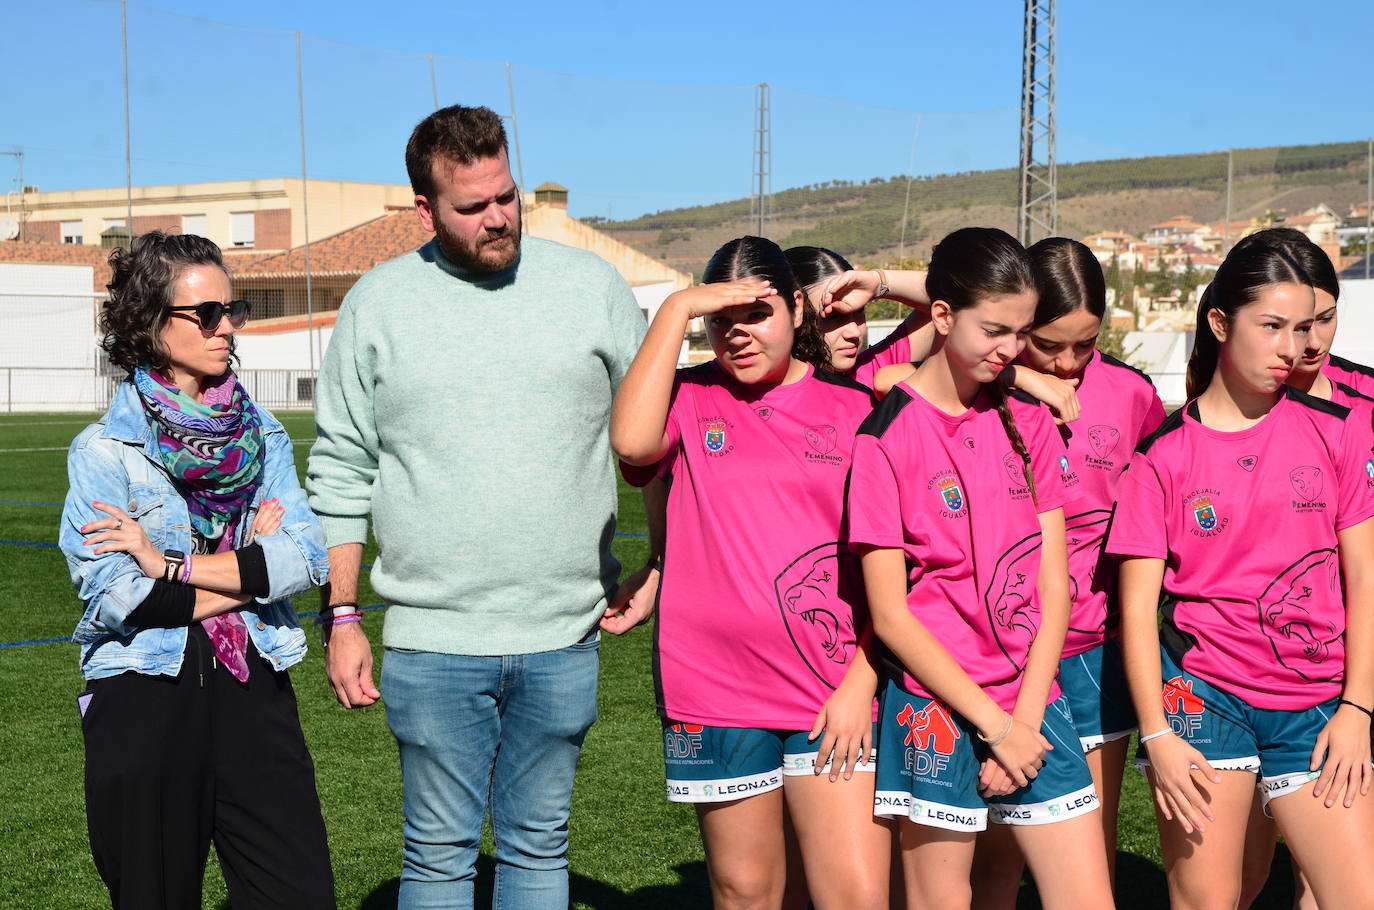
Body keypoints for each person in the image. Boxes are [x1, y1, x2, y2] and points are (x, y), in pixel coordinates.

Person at [305, 104, 659, 910]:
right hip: (432, 645)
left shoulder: (592, 289)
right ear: (425, 211)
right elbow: (341, 470)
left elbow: (654, 447)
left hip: (564, 633)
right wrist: (345, 614)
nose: (499, 217)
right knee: (436, 860)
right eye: (473, 206)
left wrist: (662, 563)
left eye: (508, 195)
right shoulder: (377, 304)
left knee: (539, 851)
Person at [611, 236, 891, 910]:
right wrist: (676, 310)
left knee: (852, 894)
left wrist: (861, 682)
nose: (736, 337)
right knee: (746, 892)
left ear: (797, 308)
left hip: (834, 692)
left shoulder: (857, 410)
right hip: (713, 687)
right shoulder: (687, 397)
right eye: (720, 322)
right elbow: (630, 443)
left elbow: (894, 572)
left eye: (756, 315)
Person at [60, 230, 334, 910]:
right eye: (205, 314)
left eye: (231, 311)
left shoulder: (261, 431)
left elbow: (305, 557)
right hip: (145, 695)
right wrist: (244, 574)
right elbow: (120, 596)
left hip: (256, 690)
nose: (226, 329)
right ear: (151, 325)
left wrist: (174, 567)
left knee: (300, 895)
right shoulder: (104, 452)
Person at [848, 227, 1114, 909]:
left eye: (1021, 332)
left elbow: (1056, 588)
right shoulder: (883, 438)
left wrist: (1021, 722)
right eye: (995, 330)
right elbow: (892, 616)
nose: (1011, 350)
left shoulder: (1029, 421)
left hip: (1033, 703)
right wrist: (991, 728)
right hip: (935, 707)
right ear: (942, 316)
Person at [1110, 239, 1374, 909]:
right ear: (1221, 324)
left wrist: (1357, 709)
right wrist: (1160, 737)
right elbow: (1137, 614)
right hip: (1202, 704)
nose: (1294, 346)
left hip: (1316, 703)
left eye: (1306, 326)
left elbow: (1366, 580)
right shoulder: (1160, 456)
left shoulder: (1338, 431)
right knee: (1208, 899)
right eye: (1273, 326)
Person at [964, 238, 1165, 905]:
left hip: (1093, 658)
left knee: (1087, 851)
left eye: (1086, 344)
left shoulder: (1134, 397)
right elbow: (910, 348)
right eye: (1048, 344)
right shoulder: (981, 391)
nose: (1068, 362)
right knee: (995, 852)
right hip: (999, 654)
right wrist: (1025, 377)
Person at [782, 245, 930, 386]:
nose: (854, 332)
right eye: (832, 316)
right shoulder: (762, 400)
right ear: (793, 315)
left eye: (860, 312)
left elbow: (949, 297)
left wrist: (879, 283)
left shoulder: (873, 376)